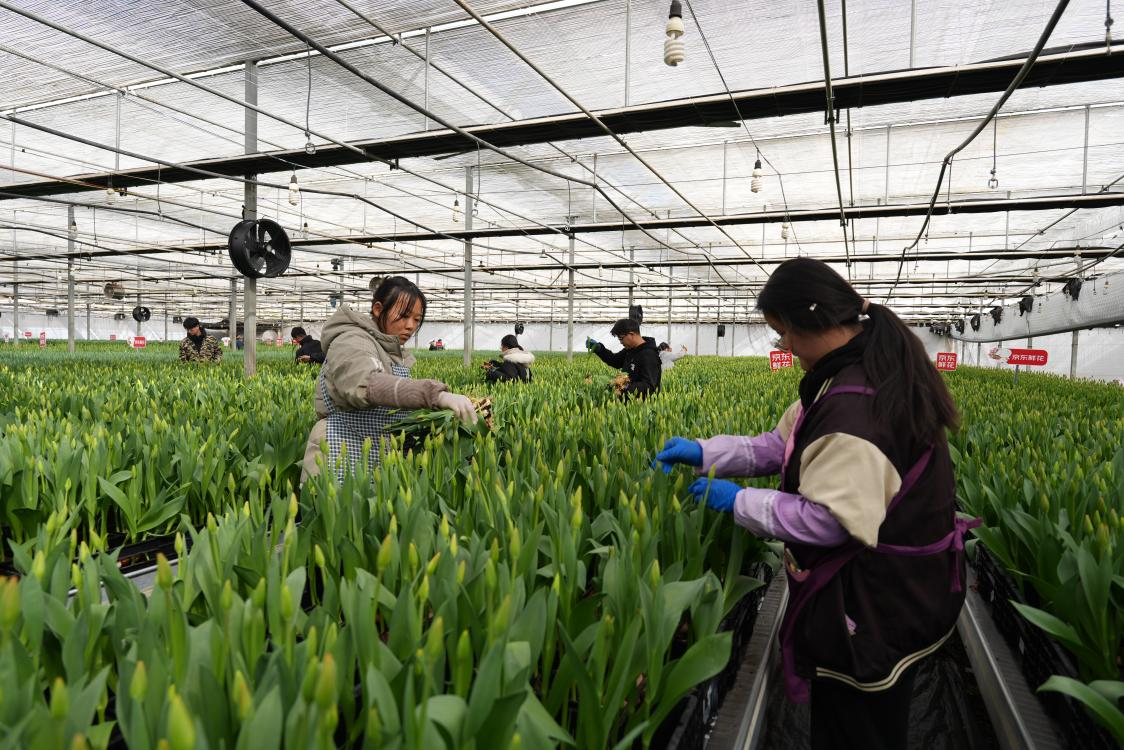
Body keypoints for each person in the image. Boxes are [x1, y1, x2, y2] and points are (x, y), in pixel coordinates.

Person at [651, 257, 969, 750]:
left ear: (811, 320)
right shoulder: (848, 375)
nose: (785, 347)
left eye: (784, 334)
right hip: (886, 589)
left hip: (878, 603)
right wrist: (704, 452)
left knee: (858, 730)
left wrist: (740, 502)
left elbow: (828, 521)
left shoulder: (857, 407)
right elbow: (781, 445)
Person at [301, 276, 477, 482]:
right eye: (404, 316)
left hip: (379, 455)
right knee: (344, 503)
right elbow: (367, 383)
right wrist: (435, 395)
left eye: (417, 319)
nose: (410, 326)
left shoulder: (390, 350)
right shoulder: (352, 339)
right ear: (378, 309)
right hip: (340, 451)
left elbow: (393, 409)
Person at [585, 318, 661, 397]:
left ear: (631, 334)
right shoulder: (631, 349)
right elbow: (615, 360)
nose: (620, 342)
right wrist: (599, 349)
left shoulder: (649, 355)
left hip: (640, 402)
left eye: (621, 338)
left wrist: (623, 385)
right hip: (626, 398)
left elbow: (648, 386)